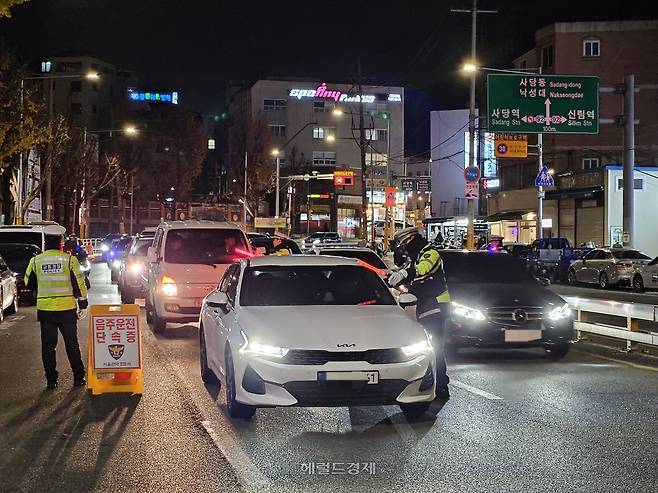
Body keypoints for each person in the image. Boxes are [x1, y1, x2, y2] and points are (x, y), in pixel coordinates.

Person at [388, 227, 451, 400]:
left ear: (411, 240)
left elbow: (423, 269)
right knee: (427, 346)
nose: (403, 249)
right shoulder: (414, 257)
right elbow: (407, 273)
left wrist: (405, 273)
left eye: (404, 244)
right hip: (426, 306)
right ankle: (431, 382)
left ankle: (441, 386)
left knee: (435, 347)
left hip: (438, 305)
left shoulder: (430, 254)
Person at [25, 232, 89, 389]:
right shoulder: (69, 260)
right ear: (60, 242)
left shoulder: (35, 261)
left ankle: (51, 380)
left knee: (48, 346)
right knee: (72, 344)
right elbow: (79, 283)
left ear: (45, 243)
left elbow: (28, 282)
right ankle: (78, 378)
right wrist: (83, 303)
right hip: (67, 309)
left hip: (45, 310)